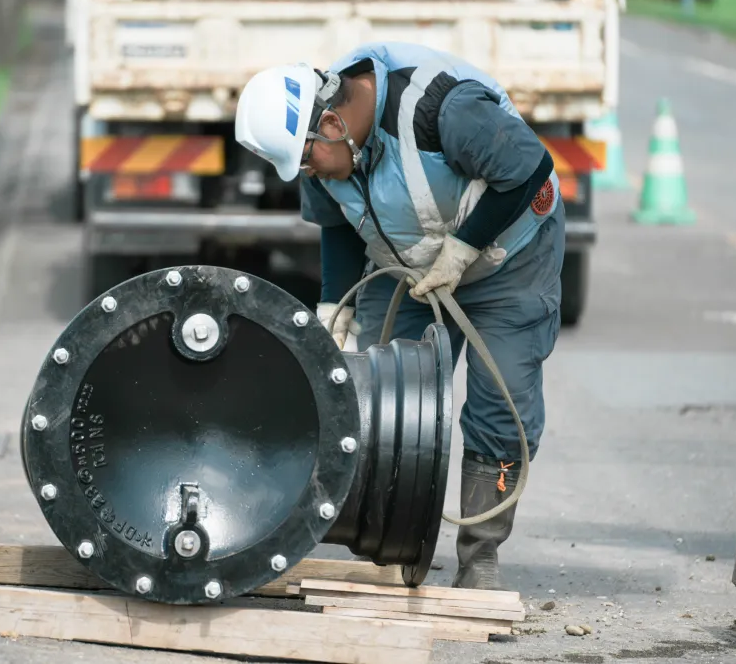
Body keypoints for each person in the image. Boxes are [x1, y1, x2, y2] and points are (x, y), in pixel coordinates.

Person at [234, 42, 565, 591]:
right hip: (414, 273)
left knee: (500, 406)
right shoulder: (327, 154)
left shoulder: (441, 111)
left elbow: (528, 168)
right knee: (391, 405)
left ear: (334, 124)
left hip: (511, 260)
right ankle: (394, 545)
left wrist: (463, 249)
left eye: (307, 158)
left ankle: (479, 557)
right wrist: (330, 303)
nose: (307, 172)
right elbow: (337, 222)